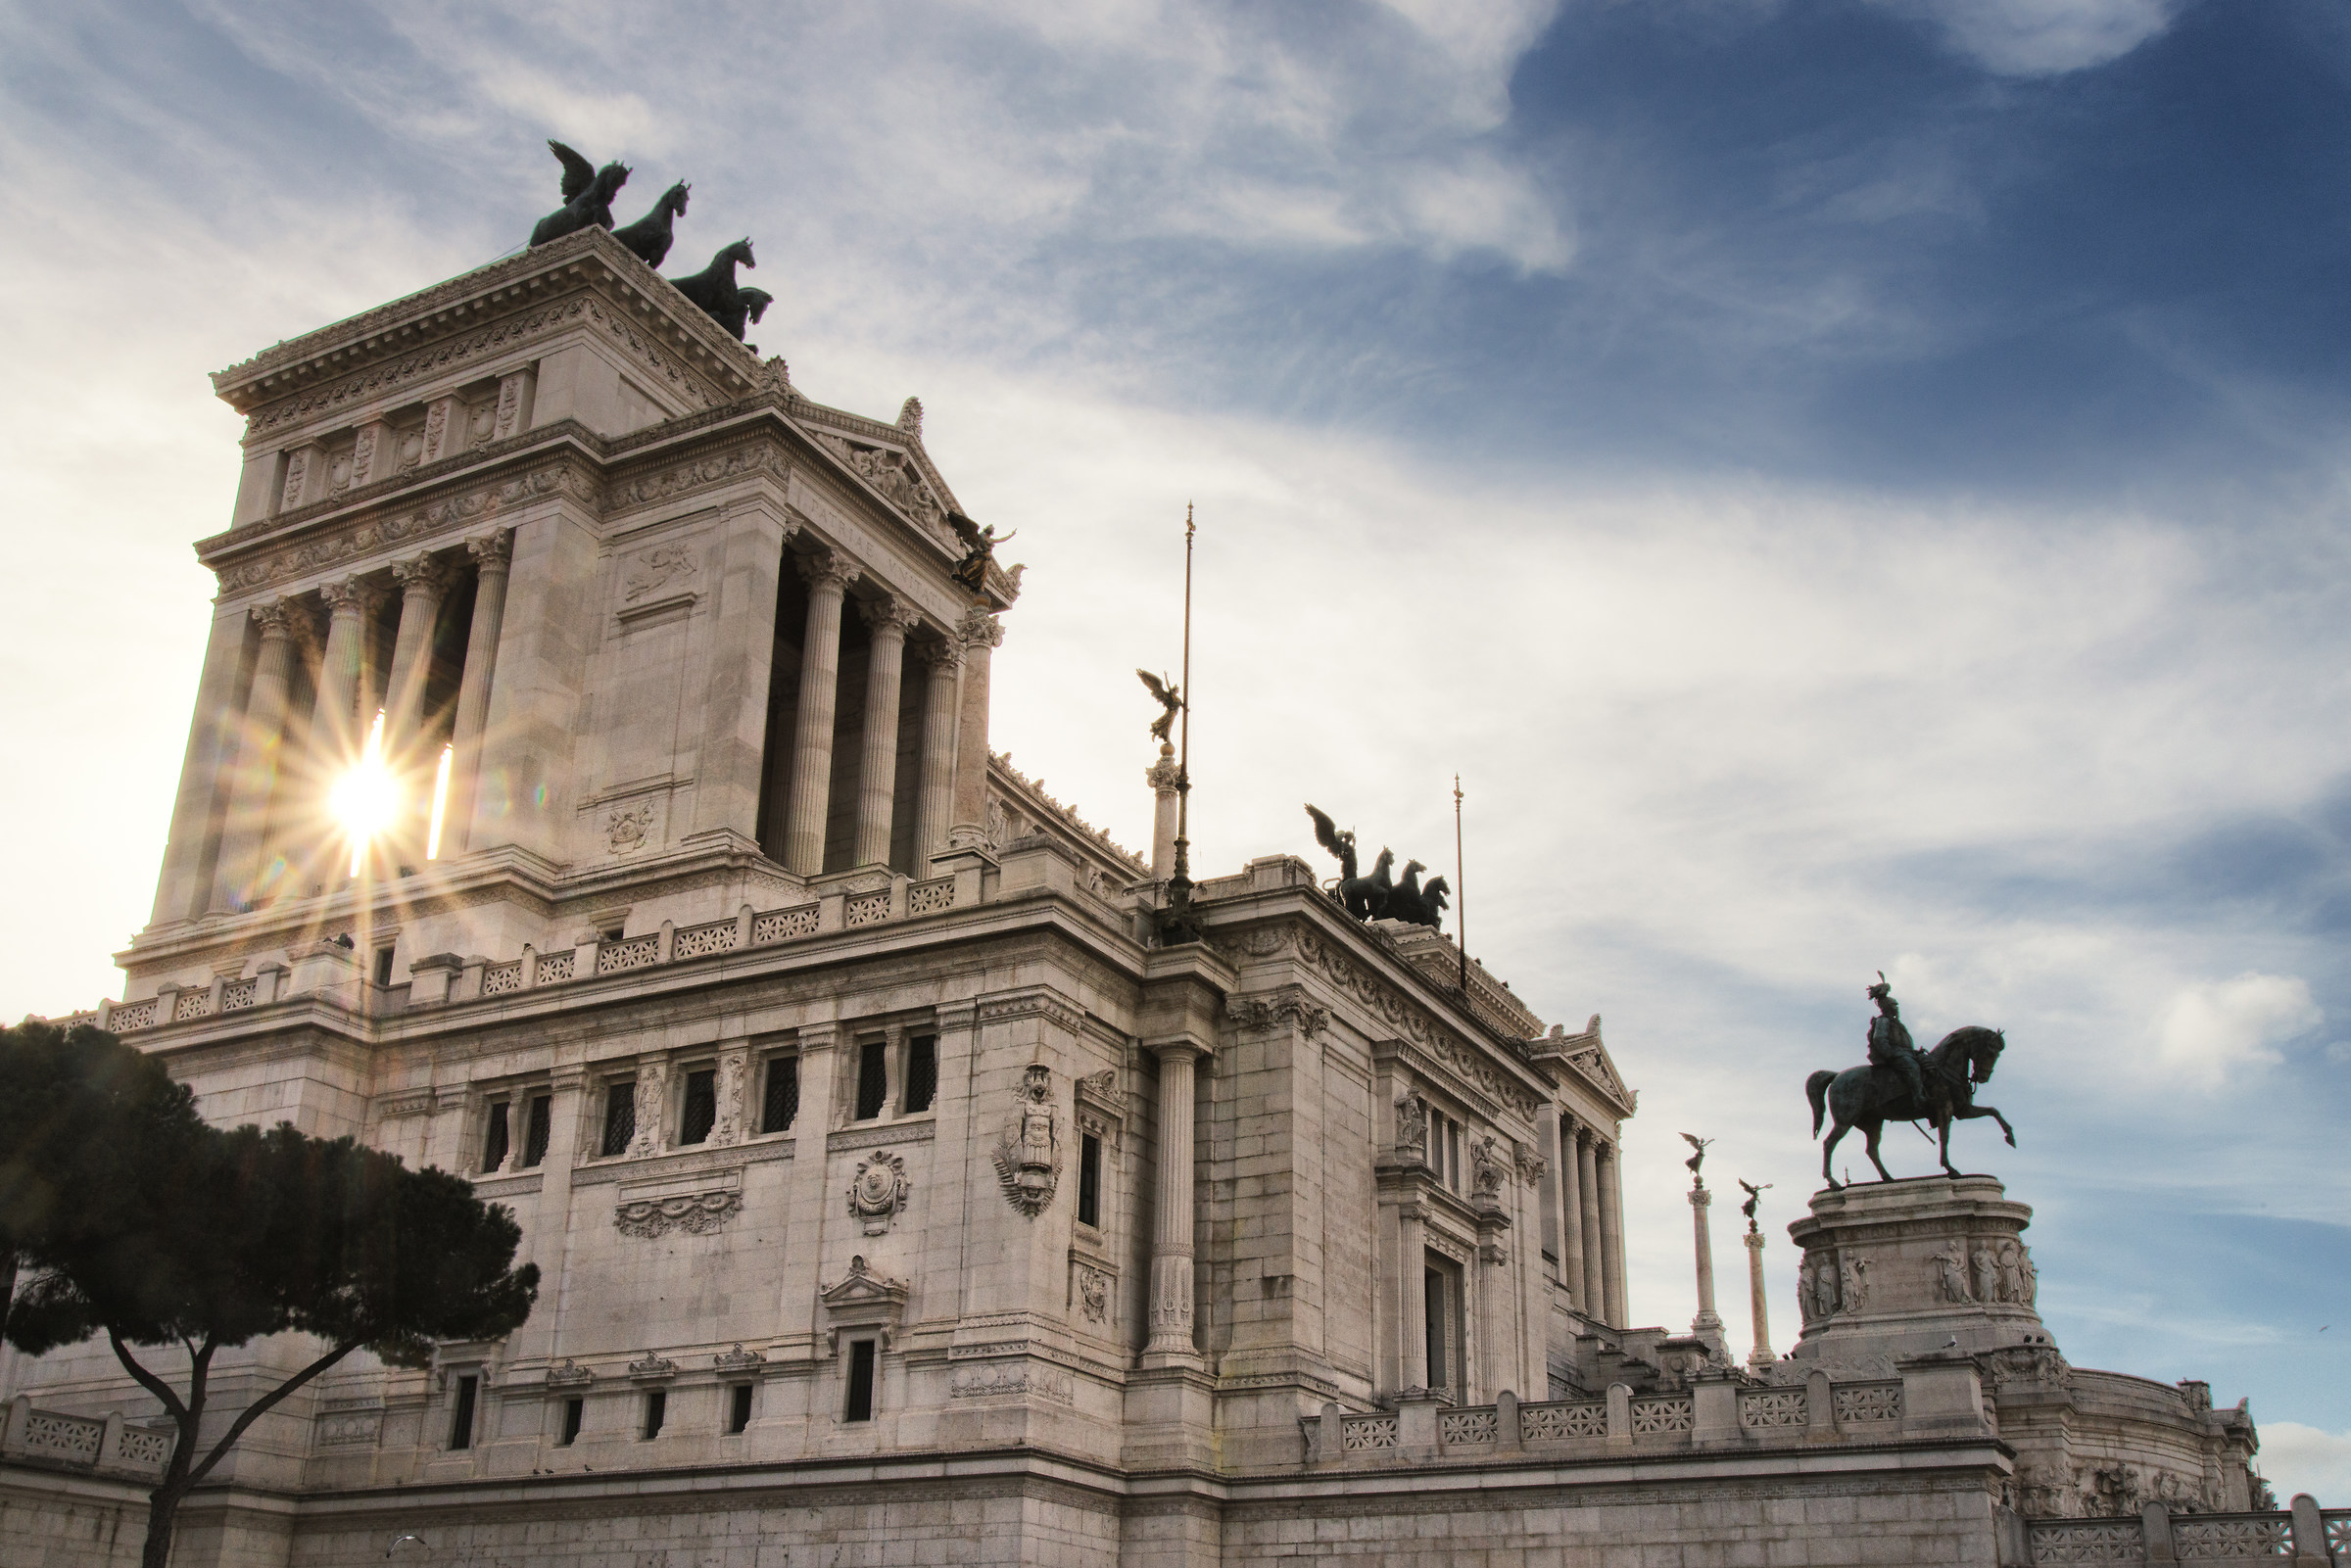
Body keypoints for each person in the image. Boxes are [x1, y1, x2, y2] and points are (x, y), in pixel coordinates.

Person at [1865, 974, 1929, 1110]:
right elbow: (1879, 1039)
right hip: (1894, 1056)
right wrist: (1890, 1054)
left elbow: (1903, 1043)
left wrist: (1915, 1052)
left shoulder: (1898, 1024)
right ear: (1888, 1007)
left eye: (1896, 1006)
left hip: (1905, 1054)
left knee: (1928, 1064)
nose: (1896, 1009)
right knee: (1912, 1066)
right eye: (1894, 1006)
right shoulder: (1883, 1021)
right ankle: (1918, 1097)